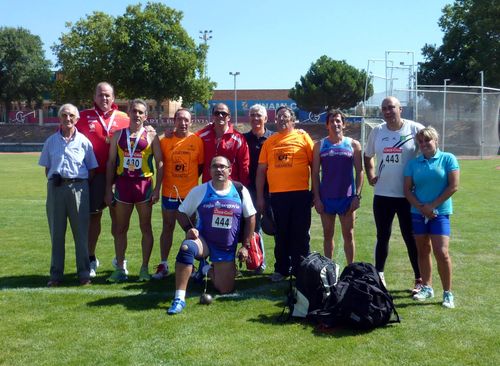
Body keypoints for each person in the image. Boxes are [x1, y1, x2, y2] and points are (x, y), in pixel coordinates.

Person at [167, 156, 256, 315]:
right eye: (215, 166)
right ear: (209, 171)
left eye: (222, 167)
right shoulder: (200, 190)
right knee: (187, 247)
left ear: (229, 170)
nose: (219, 170)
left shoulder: (240, 190)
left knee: (224, 289)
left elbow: (250, 217)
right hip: (204, 242)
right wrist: (189, 228)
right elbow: (181, 212)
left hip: (226, 247)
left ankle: (205, 269)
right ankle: (179, 298)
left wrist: (245, 246)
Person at [364, 96, 424, 292]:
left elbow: (428, 154)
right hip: (382, 195)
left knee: (410, 237)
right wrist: (371, 174)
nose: (388, 111)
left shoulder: (415, 129)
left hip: (408, 196)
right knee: (383, 236)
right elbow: (368, 156)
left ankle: (419, 278)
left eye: (391, 107)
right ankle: (379, 276)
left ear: (401, 109)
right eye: (384, 108)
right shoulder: (377, 131)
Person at [39, 104, 98, 286]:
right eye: (64, 115)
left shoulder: (84, 142)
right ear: (60, 118)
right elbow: (47, 168)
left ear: (77, 119)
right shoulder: (51, 141)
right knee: (56, 233)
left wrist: (76, 183)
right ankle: (56, 275)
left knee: (81, 234)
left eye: (71, 115)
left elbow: (92, 169)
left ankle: (84, 274)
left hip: (79, 189)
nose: (68, 118)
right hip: (56, 189)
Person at [104, 99, 163, 282]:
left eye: (140, 112)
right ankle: (120, 268)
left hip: (143, 186)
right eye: (134, 111)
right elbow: (112, 162)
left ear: (146, 116)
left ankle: (144, 269)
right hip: (123, 185)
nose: (137, 115)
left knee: (145, 227)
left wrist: (157, 189)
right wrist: (108, 188)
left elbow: (160, 164)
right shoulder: (118, 135)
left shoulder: (152, 136)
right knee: (120, 228)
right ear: (128, 113)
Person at [256, 106, 314, 281]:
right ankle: (281, 269)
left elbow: (315, 165)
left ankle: (301, 269)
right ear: (275, 120)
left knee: (301, 234)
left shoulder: (303, 137)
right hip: (278, 195)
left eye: (286, 117)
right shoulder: (270, 142)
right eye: (279, 116)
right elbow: (261, 171)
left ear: (293, 120)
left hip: (300, 194)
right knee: (281, 233)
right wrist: (260, 197)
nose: (282, 119)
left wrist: (315, 192)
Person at [78, 82, 130, 277]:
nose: (104, 98)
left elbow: (142, 132)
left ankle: (120, 260)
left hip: (120, 176)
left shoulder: (124, 118)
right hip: (95, 177)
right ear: (94, 96)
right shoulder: (82, 117)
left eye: (108, 95)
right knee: (94, 219)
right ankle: (91, 258)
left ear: (114, 97)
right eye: (101, 95)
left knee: (119, 222)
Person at [404, 126, 459, 308]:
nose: (424, 144)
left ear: (436, 140)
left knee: (441, 253)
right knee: (422, 251)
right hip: (418, 213)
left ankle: (447, 293)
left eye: (427, 140)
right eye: (420, 141)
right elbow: (407, 190)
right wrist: (421, 207)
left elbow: (453, 186)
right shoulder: (413, 163)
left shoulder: (448, 158)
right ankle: (427, 287)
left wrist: (432, 206)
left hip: (440, 213)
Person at [152, 108, 204, 279]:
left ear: (191, 121)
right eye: (179, 119)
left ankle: (192, 265)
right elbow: (158, 161)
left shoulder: (197, 141)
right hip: (169, 193)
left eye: (186, 120)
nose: (183, 123)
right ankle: (164, 264)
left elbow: (201, 167)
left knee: (192, 230)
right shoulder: (164, 140)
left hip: (190, 196)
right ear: (174, 121)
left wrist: (189, 183)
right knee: (168, 227)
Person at [312, 109, 363, 264]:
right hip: (326, 199)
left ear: (343, 124)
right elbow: (314, 173)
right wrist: (317, 199)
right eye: (332, 121)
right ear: (327, 125)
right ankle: (329, 269)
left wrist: (357, 196)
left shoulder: (353, 145)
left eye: (338, 121)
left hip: (347, 199)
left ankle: (351, 269)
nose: (335, 124)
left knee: (349, 235)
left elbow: (360, 171)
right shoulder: (319, 145)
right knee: (328, 235)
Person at [243, 104, 274, 273]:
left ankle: (283, 263)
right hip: (249, 190)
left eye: (259, 115)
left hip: (273, 189)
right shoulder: (243, 138)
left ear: (266, 119)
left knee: (276, 226)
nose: (256, 118)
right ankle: (258, 262)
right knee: (253, 227)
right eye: (253, 115)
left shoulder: (273, 138)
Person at [196, 103, 250, 186]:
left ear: (229, 117)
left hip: (230, 187)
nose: (220, 116)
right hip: (208, 186)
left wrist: (243, 188)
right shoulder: (201, 136)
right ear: (213, 116)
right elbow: (187, 140)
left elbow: (244, 166)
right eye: (217, 113)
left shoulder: (238, 139)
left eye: (224, 113)